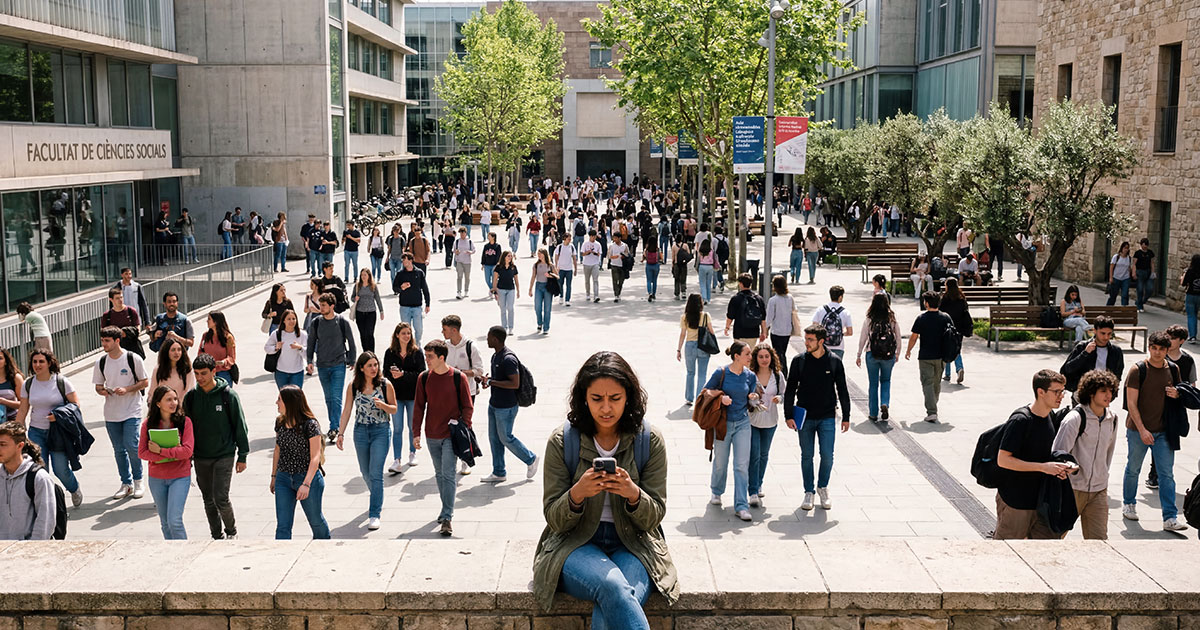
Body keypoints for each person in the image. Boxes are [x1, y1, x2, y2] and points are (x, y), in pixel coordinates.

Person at [532, 351, 677, 629]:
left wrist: (632, 493)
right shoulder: (563, 441)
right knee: (613, 586)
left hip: (634, 543)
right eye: (597, 399)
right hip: (575, 544)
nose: (606, 408)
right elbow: (553, 518)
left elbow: (654, 516)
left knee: (616, 598)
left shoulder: (649, 440)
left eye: (615, 398)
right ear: (584, 398)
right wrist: (578, 494)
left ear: (629, 397)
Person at [992, 369, 1073, 540]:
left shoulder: (1050, 416)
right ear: (1041, 392)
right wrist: (1043, 468)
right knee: (1006, 553)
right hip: (1016, 501)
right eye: (1056, 391)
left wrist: (1060, 467)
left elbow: (1043, 454)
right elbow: (1003, 459)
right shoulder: (1021, 420)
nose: (1061, 396)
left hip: (1041, 502)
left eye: (1062, 391)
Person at [1121, 331, 1188, 531]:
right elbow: (1131, 404)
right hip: (1137, 430)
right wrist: (1142, 430)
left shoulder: (1173, 369)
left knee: (1166, 474)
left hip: (1164, 431)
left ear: (1168, 350)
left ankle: (1170, 517)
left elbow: (1181, 394)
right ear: (1149, 347)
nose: (1157, 353)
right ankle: (1129, 504)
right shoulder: (1138, 369)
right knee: (1133, 468)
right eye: (1153, 348)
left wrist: (1177, 394)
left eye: (1161, 349)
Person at [783, 325, 851, 511]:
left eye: (810, 340)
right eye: (806, 339)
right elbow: (790, 390)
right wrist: (788, 415)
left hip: (828, 416)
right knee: (807, 456)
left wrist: (846, 416)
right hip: (805, 417)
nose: (806, 343)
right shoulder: (799, 361)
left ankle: (822, 488)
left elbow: (843, 390)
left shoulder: (834, 362)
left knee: (827, 456)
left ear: (821, 341)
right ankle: (808, 492)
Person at [184, 353, 249, 540]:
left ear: (214, 371)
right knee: (208, 500)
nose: (199, 378)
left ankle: (231, 532)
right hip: (201, 456)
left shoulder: (228, 395)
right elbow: (186, 428)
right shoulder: (191, 398)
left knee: (220, 497)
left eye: (203, 373)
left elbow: (240, 426)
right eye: (196, 374)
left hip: (224, 454)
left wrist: (243, 455)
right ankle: (216, 535)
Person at [412, 340, 474, 536]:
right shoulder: (423, 378)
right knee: (439, 474)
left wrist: (464, 427)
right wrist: (416, 433)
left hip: (451, 434)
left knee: (448, 473)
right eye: (426, 356)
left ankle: (447, 516)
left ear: (441, 357)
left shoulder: (458, 377)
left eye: (430, 356)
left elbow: (468, 405)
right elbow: (419, 407)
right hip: (432, 434)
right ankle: (445, 508)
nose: (426, 360)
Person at [1051, 369, 1119, 540]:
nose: (1108, 395)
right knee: (1054, 538)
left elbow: (1108, 453)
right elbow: (1058, 453)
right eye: (1103, 390)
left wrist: (1103, 475)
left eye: (1111, 390)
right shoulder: (1075, 418)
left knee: (1099, 542)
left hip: (1099, 490)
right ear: (1090, 392)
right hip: (1072, 490)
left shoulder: (1113, 418)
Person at [336, 351, 397, 531]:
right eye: (369, 365)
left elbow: (394, 409)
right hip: (361, 431)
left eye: (375, 365)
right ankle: (377, 496)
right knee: (365, 472)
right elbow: (346, 410)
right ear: (361, 368)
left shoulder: (385, 384)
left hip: (381, 430)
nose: (373, 368)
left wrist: (383, 405)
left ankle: (374, 513)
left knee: (375, 473)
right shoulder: (354, 386)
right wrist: (340, 433)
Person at [16, 350, 82, 507]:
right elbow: (23, 409)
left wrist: (58, 416)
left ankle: (74, 488)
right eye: (34, 362)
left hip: (57, 433)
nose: (37, 365)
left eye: (41, 361)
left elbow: (75, 404)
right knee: (40, 469)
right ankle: (46, 502)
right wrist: (17, 431)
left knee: (61, 470)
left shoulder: (61, 381)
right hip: (36, 431)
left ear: (49, 363)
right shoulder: (29, 384)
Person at [701, 341, 759, 521]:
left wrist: (753, 398)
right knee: (721, 462)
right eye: (748, 354)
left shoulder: (750, 376)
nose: (751, 357)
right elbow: (705, 392)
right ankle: (716, 491)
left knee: (741, 465)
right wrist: (721, 398)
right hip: (722, 424)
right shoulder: (721, 372)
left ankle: (741, 506)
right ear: (737, 356)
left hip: (743, 423)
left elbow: (751, 401)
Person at [93, 326, 150, 500]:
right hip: (111, 413)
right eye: (103, 340)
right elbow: (98, 386)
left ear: (117, 341)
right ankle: (126, 483)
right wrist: (103, 391)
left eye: (107, 341)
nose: (104, 344)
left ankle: (138, 480)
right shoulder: (101, 362)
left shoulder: (133, 359)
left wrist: (127, 389)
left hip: (132, 409)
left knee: (132, 445)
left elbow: (145, 382)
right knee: (119, 450)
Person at [271, 385, 331, 539]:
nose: (276, 402)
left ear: (290, 403)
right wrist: (274, 476)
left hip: (307, 477)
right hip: (284, 478)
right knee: (283, 525)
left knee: (316, 521)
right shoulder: (280, 423)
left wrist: (306, 484)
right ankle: (281, 556)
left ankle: (325, 550)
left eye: (280, 399)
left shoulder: (310, 425)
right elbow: (277, 450)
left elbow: (315, 457)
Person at [479, 327, 538, 483]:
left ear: (496, 339)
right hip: (494, 404)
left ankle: (531, 459)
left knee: (506, 437)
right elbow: (500, 379)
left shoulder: (508, 359)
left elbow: (515, 383)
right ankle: (499, 472)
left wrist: (492, 382)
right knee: (494, 438)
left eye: (489, 337)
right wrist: (489, 381)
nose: (486, 339)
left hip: (506, 407)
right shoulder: (496, 356)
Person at [137, 385, 194, 539]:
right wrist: (174, 454)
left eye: (175, 399)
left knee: (174, 520)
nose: (174, 403)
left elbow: (187, 451)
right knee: (165, 522)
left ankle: (183, 553)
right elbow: (142, 453)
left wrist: (160, 451)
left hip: (180, 476)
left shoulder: (185, 422)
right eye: (168, 400)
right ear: (158, 403)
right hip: (157, 479)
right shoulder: (147, 425)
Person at [306, 293, 358, 443]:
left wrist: (352, 359)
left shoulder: (342, 322)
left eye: (323, 305)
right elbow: (310, 343)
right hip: (322, 365)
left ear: (332, 306)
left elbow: (351, 341)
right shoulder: (316, 323)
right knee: (328, 398)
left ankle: (335, 427)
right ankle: (334, 425)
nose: (320, 308)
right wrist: (310, 360)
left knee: (336, 397)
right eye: (320, 305)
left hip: (338, 365)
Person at [443, 315, 485, 475]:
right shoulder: (444, 346)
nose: (442, 332)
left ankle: (466, 458)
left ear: (454, 330)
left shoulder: (471, 347)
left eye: (445, 329)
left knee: (464, 424)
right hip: (448, 392)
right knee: (449, 424)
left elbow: (479, 371)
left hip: (468, 391)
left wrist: (461, 373)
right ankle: (451, 458)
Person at [0, 421, 58, 540]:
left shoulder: (40, 478)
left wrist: (29, 552)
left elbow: (45, 523)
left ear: (20, 446)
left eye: (3, 444)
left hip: (25, 553)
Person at [905, 292, 952, 423]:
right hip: (941, 356)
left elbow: (914, 337)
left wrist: (908, 350)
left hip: (925, 356)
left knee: (927, 383)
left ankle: (932, 411)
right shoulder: (946, 317)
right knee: (936, 383)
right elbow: (952, 336)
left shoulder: (921, 318)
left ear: (926, 303)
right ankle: (933, 407)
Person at [383, 323, 424, 473]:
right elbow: (384, 374)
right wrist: (392, 374)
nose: (407, 336)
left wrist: (403, 374)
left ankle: (412, 453)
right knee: (397, 428)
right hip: (396, 396)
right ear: (397, 335)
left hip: (413, 396)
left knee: (412, 427)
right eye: (404, 333)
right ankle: (397, 459)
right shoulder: (390, 352)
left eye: (409, 333)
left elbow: (421, 374)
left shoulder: (417, 352)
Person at [747, 344, 784, 507]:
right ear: (756, 358)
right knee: (754, 455)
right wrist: (752, 397)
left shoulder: (777, 376)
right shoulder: (750, 375)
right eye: (760, 357)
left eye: (766, 356)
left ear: (771, 358)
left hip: (770, 421)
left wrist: (779, 398)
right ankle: (753, 490)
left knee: (763, 454)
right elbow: (744, 396)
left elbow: (784, 393)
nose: (764, 360)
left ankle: (759, 482)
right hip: (753, 421)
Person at [857, 293, 901, 423]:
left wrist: (859, 354)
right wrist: (897, 352)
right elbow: (897, 336)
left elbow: (863, 337)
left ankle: (873, 413)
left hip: (872, 353)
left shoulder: (869, 318)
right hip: (888, 354)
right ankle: (885, 403)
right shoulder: (891, 318)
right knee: (886, 381)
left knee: (873, 383)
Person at [1060, 316, 1125, 402]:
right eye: (1102, 333)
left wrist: (1112, 391)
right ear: (1095, 331)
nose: (1106, 337)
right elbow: (1067, 369)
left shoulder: (1116, 351)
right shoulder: (1082, 347)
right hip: (1082, 393)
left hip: (1104, 394)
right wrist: (1085, 353)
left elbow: (1118, 373)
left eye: (1109, 334)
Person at [677, 294, 715, 407]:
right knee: (702, 374)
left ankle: (689, 398)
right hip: (703, 346)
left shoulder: (685, 317)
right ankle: (700, 397)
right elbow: (711, 331)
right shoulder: (706, 316)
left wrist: (678, 349)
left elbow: (683, 334)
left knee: (690, 373)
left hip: (690, 345)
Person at [392, 253, 431, 344]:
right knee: (406, 331)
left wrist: (427, 304)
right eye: (402, 261)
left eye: (405, 260)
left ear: (410, 260)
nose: (403, 262)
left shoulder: (419, 273)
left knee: (419, 329)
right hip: (404, 307)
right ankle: (408, 346)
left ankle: (417, 345)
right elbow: (394, 288)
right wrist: (401, 288)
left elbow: (425, 289)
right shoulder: (400, 274)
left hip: (417, 306)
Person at [264, 310, 308, 390]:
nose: (292, 321)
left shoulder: (302, 335)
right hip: (281, 372)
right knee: (284, 398)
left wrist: (300, 347)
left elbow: (308, 355)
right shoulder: (276, 334)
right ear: (283, 321)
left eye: (294, 319)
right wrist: (276, 347)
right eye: (289, 319)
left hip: (297, 372)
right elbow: (267, 348)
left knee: (295, 398)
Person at [939, 278, 972, 384]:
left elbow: (941, 312)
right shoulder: (961, 298)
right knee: (956, 349)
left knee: (947, 349)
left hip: (947, 328)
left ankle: (947, 374)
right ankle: (959, 368)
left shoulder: (945, 298)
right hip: (960, 328)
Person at [724, 273, 767, 348]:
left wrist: (727, 327)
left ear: (740, 284)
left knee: (740, 355)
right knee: (750, 354)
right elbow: (763, 318)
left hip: (739, 332)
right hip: (753, 332)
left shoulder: (736, 299)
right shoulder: (758, 299)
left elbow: (730, 316)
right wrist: (763, 332)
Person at [150, 337, 196, 403]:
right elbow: (153, 392)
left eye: (179, 350)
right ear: (166, 352)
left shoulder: (187, 369)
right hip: (163, 410)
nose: (176, 353)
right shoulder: (158, 370)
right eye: (173, 350)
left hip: (182, 409)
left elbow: (190, 391)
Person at [812, 286, 853, 358]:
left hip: (823, 345)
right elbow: (850, 332)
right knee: (836, 368)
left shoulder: (821, 309)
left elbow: (814, 327)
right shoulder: (845, 312)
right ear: (840, 297)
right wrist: (840, 334)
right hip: (839, 346)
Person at [764, 275, 796, 368]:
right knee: (782, 352)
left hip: (776, 331)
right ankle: (783, 369)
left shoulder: (773, 300)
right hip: (787, 330)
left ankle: (781, 370)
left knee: (777, 353)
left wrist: (765, 329)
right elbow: (794, 311)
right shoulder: (790, 298)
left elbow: (769, 317)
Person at [200, 312, 238, 386]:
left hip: (223, 373)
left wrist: (223, 362)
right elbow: (201, 351)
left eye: (209, 319)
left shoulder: (228, 337)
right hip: (208, 372)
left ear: (216, 322)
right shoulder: (205, 336)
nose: (207, 321)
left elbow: (231, 357)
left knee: (224, 396)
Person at [352, 268, 385, 353]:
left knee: (369, 334)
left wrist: (381, 311)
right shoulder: (357, 286)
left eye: (365, 275)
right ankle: (365, 352)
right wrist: (355, 299)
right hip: (360, 312)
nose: (363, 277)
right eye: (362, 275)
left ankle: (371, 352)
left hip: (371, 313)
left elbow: (377, 298)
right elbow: (352, 297)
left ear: (369, 276)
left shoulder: (373, 286)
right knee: (363, 334)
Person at [492, 251, 520, 334]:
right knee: (503, 308)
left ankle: (511, 327)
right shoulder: (498, 267)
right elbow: (495, 279)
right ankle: (504, 327)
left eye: (511, 256)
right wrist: (495, 291)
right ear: (504, 257)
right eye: (508, 256)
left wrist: (518, 290)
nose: (510, 257)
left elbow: (516, 279)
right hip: (501, 289)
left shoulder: (513, 267)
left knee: (510, 308)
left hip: (511, 289)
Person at [529, 249, 556, 334]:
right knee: (537, 307)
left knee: (547, 308)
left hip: (548, 287)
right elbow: (533, 276)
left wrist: (550, 275)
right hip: (539, 286)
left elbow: (557, 276)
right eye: (538, 254)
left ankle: (546, 327)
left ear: (545, 254)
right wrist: (530, 288)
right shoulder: (536, 265)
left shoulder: (550, 265)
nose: (539, 256)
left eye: (540, 254)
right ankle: (539, 323)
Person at [1106, 241, 1133, 306]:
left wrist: (1130, 275)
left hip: (1125, 278)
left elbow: (1129, 268)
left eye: (1127, 248)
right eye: (1125, 248)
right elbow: (1111, 267)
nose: (1126, 249)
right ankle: (1109, 308)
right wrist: (1111, 277)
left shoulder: (1128, 258)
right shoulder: (1116, 257)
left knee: (1125, 294)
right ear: (1122, 248)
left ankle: (1124, 308)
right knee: (1113, 295)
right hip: (1116, 278)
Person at [1180, 253, 1200, 341]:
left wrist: (1183, 276)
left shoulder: (1190, 271)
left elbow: (1183, 283)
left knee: (1191, 315)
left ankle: (1192, 336)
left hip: (1191, 295)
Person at [555, 233, 579, 306]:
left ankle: (567, 299)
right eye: (568, 238)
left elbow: (574, 258)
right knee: (560, 284)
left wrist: (575, 268)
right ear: (564, 238)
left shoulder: (571, 247)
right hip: (561, 269)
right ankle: (561, 296)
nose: (570, 240)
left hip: (569, 269)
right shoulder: (559, 247)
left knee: (568, 285)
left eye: (570, 238)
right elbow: (556, 258)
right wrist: (556, 268)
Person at [452, 227, 476, 300]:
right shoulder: (457, 241)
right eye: (461, 233)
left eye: (463, 233)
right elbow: (453, 249)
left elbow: (474, 249)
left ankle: (466, 290)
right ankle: (459, 292)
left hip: (467, 261)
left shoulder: (469, 241)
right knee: (459, 276)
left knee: (467, 277)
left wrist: (470, 252)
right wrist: (456, 252)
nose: (462, 235)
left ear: (466, 233)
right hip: (459, 261)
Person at [0, 349, 22, 424]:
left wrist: (4, 401)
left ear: (6, 361)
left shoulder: (15, 378)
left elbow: (23, 404)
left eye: (0, 358)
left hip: (12, 424)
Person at [1133, 238, 1155, 311]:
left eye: (1146, 245)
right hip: (1140, 272)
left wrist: (1152, 272)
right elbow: (1134, 264)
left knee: (1150, 289)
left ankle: (1142, 301)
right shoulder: (1137, 253)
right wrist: (1134, 272)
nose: (1145, 246)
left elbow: (1152, 263)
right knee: (1140, 289)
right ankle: (1140, 306)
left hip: (1148, 272)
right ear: (1141, 245)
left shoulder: (1150, 253)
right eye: (1143, 245)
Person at [609, 233, 629, 303]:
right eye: (614, 238)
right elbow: (609, 255)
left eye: (616, 238)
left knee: (621, 281)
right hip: (614, 265)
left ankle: (619, 292)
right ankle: (616, 295)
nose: (614, 239)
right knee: (615, 280)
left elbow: (627, 254)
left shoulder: (624, 245)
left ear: (619, 238)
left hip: (622, 266)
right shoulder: (611, 246)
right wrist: (614, 257)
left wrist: (624, 256)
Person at [387, 223, 407, 287]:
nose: (396, 232)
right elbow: (389, 248)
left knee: (398, 273)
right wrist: (387, 257)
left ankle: (398, 286)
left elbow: (403, 249)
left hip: (399, 258)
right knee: (392, 274)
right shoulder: (391, 239)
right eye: (394, 231)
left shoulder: (401, 239)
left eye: (397, 231)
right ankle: (394, 287)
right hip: (392, 258)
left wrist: (404, 258)